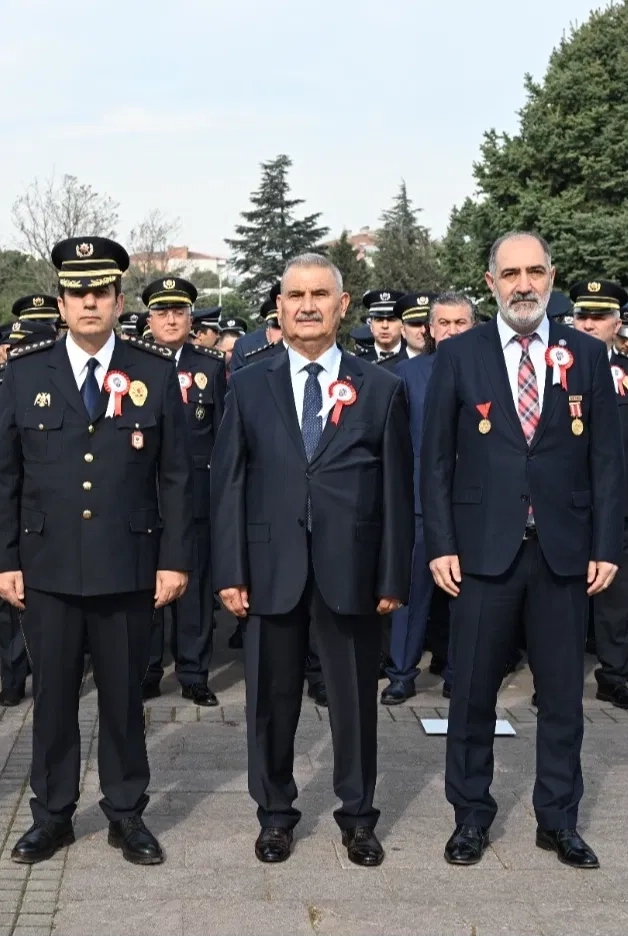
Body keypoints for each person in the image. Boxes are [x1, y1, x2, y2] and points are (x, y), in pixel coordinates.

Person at [0, 236, 191, 866]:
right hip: (47, 568)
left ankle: (126, 812)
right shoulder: (25, 373)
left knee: (124, 698)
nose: (89, 303)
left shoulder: (154, 372)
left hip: (127, 565)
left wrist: (174, 559)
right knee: (52, 699)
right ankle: (52, 814)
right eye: (77, 293)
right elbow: (4, 475)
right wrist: (2, 560)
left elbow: (177, 476)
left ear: (120, 301)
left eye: (100, 292)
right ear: (61, 303)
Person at [422, 231, 623, 870]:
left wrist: (606, 544)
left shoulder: (585, 354)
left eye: (535, 271)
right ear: (491, 283)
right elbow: (435, 460)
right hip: (482, 553)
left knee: (562, 697)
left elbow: (608, 459)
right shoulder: (462, 354)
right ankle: (470, 816)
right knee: (472, 693)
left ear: (551, 276)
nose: (524, 284)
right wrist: (440, 544)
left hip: (563, 553)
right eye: (510, 274)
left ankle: (558, 819)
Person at [212, 253, 410, 867]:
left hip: (351, 573)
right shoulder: (248, 384)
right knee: (271, 704)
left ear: (342, 305)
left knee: (353, 703)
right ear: (279, 307)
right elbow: (228, 485)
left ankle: (359, 817)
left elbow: (396, 492)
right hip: (270, 571)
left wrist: (392, 574)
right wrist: (230, 570)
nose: (306, 306)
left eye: (319, 294)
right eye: (295, 295)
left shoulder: (381, 388)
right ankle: (275, 815)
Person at [569, 280, 628, 710]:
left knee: (617, 596)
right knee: (564, 596)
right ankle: (557, 677)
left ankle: (613, 676)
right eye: (583, 316)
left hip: (619, 503)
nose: (589, 324)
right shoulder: (553, 368)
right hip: (565, 504)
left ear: (617, 323)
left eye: (599, 316)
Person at [382, 292, 476, 705]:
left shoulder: (490, 370)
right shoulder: (406, 374)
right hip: (420, 505)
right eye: (444, 323)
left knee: (466, 597)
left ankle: (458, 673)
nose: (452, 331)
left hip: (473, 504)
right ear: (430, 329)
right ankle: (401, 674)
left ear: (473, 327)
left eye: (461, 323)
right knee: (411, 595)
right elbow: (393, 444)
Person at [138, 276, 225, 706]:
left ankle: (193, 673)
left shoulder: (211, 367)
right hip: (144, 495)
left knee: (194, 590)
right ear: (149, 319)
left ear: (191, 318)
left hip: (196, 497)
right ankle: (148, 669)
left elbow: (223, 437)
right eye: (162, 312)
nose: (170, 320)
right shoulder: (133, 365)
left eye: (179, 312)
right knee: (145, 587)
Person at [0, 310, 56, 706]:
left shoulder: (61, 387)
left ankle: (49, 670)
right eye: (11, 348)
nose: (14, 355)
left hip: (46, 512)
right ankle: (13, 674)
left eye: (25, 348)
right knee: (4, 600)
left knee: (46, 598)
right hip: (4, 510)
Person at [360, 289, 405, 369]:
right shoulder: (358, 362)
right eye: (379, 320)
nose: (385, 326)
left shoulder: (414, 359)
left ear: (402, 324)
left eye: (391, 320)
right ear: (371, 325)